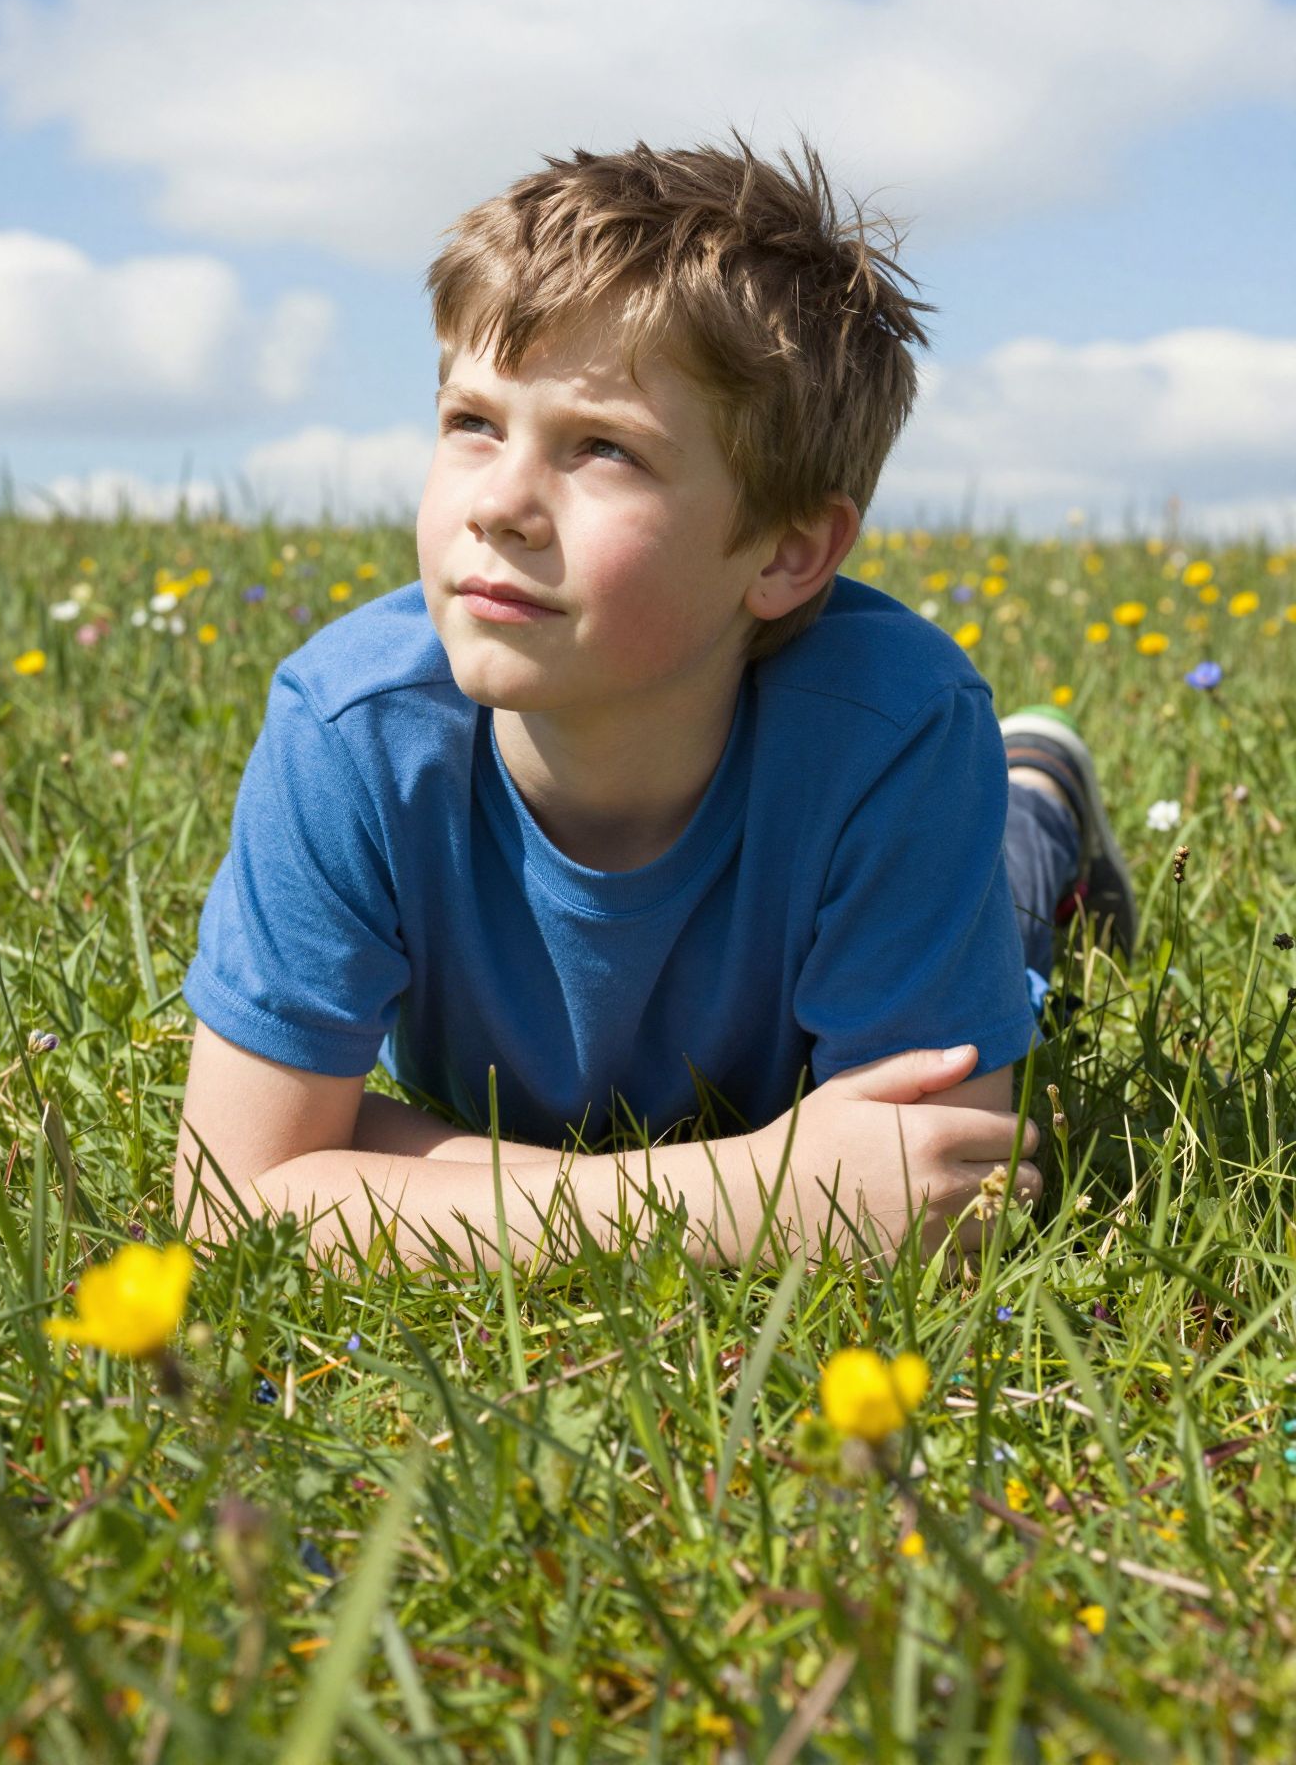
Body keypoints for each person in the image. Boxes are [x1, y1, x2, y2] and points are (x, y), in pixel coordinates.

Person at [174, 133, 1137, 1275]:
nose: (501, 503)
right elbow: (231, 1196)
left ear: (785, 551)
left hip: (928, 829)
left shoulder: (900, 733)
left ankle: (1035, 786)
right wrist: (749, 1194)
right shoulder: (349, 729)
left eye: (604, 449)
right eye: (473, 421)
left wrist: (385, 1160)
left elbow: (943, 1203)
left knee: (1018, 913)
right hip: (756, 1129)